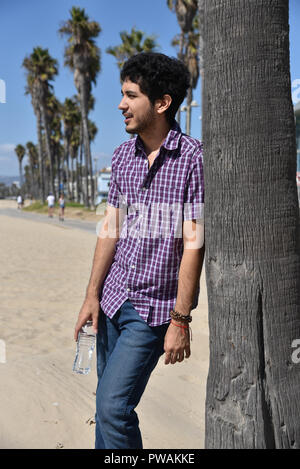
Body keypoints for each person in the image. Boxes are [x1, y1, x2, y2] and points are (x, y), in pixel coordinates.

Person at [74, 52, 205, 449]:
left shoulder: (192, 159)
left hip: (151, 313)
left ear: (162, 103)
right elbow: (110, 229)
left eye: (130, 95)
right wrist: (91, 295)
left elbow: (193, 244)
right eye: (121, 94)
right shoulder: (121, 156)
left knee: (114, 408)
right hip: (113, 301)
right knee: (106, 404)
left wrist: (180, 320)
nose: (121, 105)